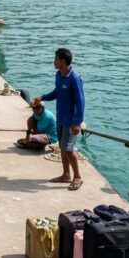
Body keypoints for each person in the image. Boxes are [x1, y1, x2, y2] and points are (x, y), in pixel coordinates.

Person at [33, 48, 86, 191]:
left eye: (55, 59)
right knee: (62, 148)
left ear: (63, 61)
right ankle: (66, 174)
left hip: (70, 121)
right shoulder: (59, 75)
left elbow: (80, 101)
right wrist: (42, 97)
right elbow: (56, 92)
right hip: (61, 118)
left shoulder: (74, 78)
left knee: (69, 149)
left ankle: (78, 177)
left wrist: (77, 122)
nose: (53, 61)